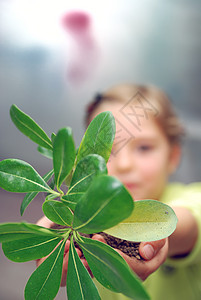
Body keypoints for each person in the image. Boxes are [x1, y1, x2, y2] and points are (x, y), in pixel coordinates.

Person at [37, 83, 201, 299]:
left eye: (144, 147)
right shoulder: (85, 215)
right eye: (108, 152)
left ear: (172, 156)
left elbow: (187, 224)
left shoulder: (192, 198)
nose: (124, 164)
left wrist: (158, 232)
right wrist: (51, 235)